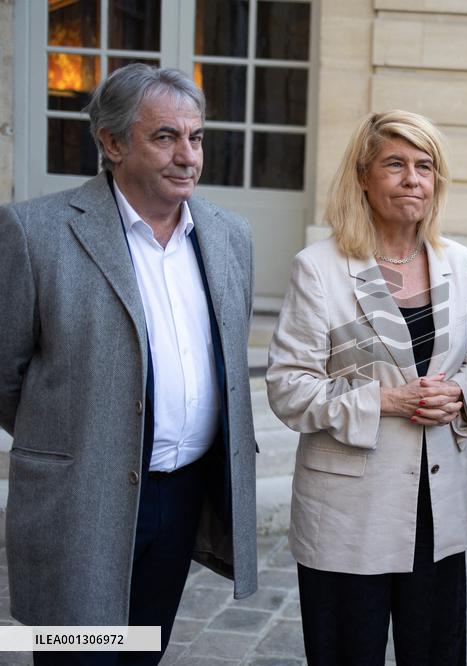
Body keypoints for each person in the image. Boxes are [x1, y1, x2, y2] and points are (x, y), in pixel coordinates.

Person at [0, 63, 257, 664]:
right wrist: (69, 440)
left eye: (195, 137)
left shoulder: (229, 235)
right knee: (77, 657)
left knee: (143, 651)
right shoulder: (35, 231)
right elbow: (4, 374)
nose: (186, 156)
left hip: (182, 495)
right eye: (164, 137)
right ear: (111, 143)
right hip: (83, 495)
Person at [266, 110, 467, 664]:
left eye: (424, 166)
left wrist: (460, 394)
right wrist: (386, 401)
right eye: (395, 164)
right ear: (363, 176)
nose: (413, 178)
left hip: (435, 508)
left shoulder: (461, 263)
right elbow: (288, 387)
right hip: (347, 513)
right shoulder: (319, 268)